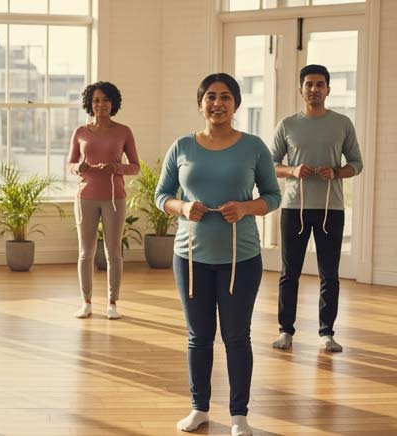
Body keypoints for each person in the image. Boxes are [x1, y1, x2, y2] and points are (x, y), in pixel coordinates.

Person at [154, 73, 281, 436]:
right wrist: (182, 207)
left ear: (236, 104)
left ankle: (239, 415)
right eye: (210, 96)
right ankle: (199, 409)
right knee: (198, 337)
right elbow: (162, 195)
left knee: (237, 337)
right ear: (201, 103)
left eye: (226, 97)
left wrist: (245, 207)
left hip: (242, 259)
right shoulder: (182, 146)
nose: (218, 103)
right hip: (190, 259)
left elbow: (272, 196)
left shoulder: (254, 147)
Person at [271, 64, 364, 353]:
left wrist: (336, 172)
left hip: (330, 210)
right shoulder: (287, 124)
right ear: (301, 89)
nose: (314, 89)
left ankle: (327, 333)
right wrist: (292, 170)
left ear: (328, 89)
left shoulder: (342, 124)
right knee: (289, 273)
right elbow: (271, 165)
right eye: (309, 84)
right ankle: (286, 331)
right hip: (294, 208)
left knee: (329, 274)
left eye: (319, 84)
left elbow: (357, 164)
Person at [68, 81, 139, 320]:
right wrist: (78, 167)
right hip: (85, 198)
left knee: (113, 253)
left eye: (106, 100)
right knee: (85, 253)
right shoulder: (80, 132)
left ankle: (112, 303)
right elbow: (70, 164)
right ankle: (86, 302)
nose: (101, 105)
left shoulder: (124, 132)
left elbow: (135, 166)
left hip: (114, 198)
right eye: (96, 100)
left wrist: (116, 168)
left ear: (113, 103)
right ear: (90, 104)